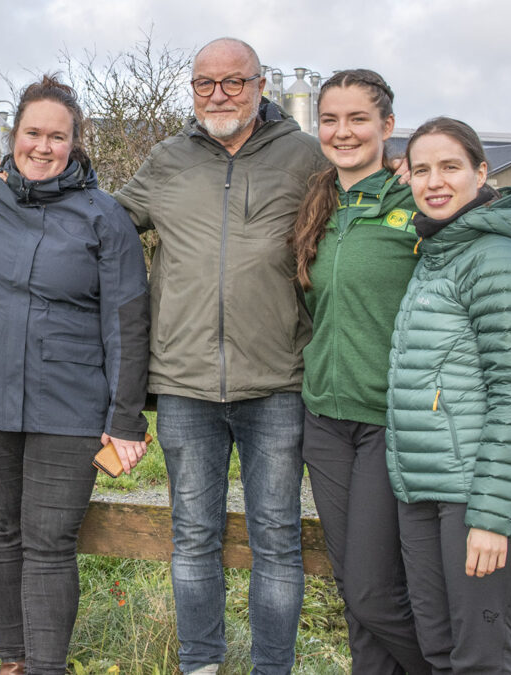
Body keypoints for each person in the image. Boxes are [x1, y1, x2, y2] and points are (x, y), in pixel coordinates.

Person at [114, 37, 326, 674]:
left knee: (278, 541)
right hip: (184, 384)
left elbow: (354, 226)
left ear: (261, 85)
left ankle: (271, 668)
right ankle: (200, 664)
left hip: (276, 383)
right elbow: (107, 221)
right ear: (192, 89)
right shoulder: (167, 159)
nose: (219, 95)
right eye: (206, 83)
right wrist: (21, 197)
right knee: (194, 538)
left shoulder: (305, 158)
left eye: (234, 82)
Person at [0, 75, 150, 675]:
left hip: (69, 403)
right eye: (33, 132)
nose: (43, 146)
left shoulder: (104, 217)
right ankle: (13, 662)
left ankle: (47, 667)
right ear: (14, 136)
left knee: (50, 544)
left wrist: (125, 417)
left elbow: (128, 320)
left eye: (58, 136)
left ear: (76, 142)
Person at [386, 117, 511, 673]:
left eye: (451, 167)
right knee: (439, 652)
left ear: (483, 172)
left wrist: (489, 516)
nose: (435, 181)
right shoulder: (439, 254)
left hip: (480, 497)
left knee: (483, 659)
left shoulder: (499, 258)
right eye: (422, 169)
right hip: (427, 489)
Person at [292, 69, 431, 674]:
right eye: (330, 119)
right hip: (324, 418)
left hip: (389, 419)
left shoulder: (416, 199)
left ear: (387, 127)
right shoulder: (319, 203)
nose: (342, 132)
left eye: (357, 119)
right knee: (355, 588)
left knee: (376, 591)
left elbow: (491, 226)